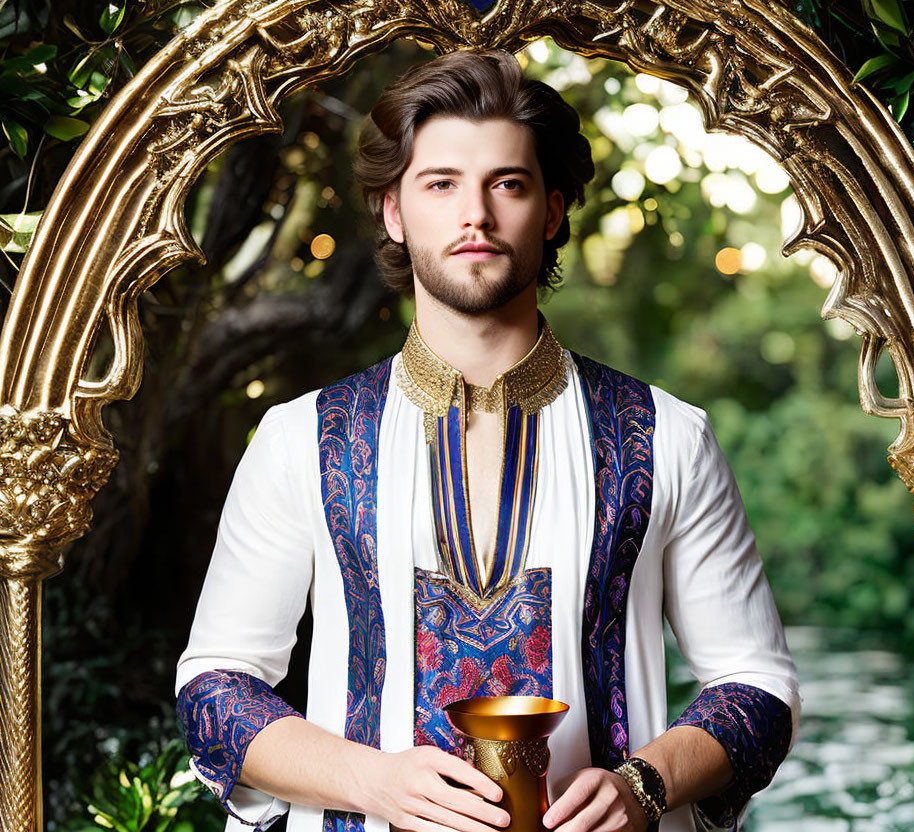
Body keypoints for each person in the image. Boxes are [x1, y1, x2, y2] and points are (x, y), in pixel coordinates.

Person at [175, 48, 800, 832]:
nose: (475, 213)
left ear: (553, 210)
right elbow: (214, 691)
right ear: (395, 212)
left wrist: (643, 785)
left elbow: (758, 690)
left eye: (507, 183)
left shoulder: (667, 437)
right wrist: (371, 783)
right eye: (441, 184)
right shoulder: (301, 440)